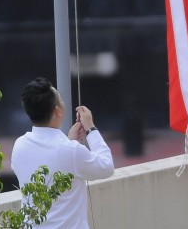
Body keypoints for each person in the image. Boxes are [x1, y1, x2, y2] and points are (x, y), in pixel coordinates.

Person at [11, 77, 114, 228]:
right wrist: (91, 129)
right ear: (57, 111)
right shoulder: (71, 151)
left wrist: (69, 141)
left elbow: (48, 164)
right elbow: (106, 167)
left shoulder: (19, 145)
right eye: (61, 100)